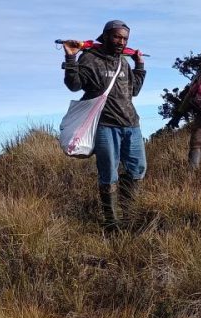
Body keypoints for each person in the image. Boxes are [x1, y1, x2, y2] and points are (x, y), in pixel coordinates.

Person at [62, 20, 146, 232]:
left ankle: (129, 213)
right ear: (106, 35)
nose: (121, 41)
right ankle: (113, 223)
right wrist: (71, 57)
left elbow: (133, 91)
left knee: (138, 169)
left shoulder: (123, 62)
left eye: (125, 38)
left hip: (131, 124)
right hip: (105, 125)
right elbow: (74, 85)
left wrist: (140, 66)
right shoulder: (90, 58)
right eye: (117, 36)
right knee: (109, 174)